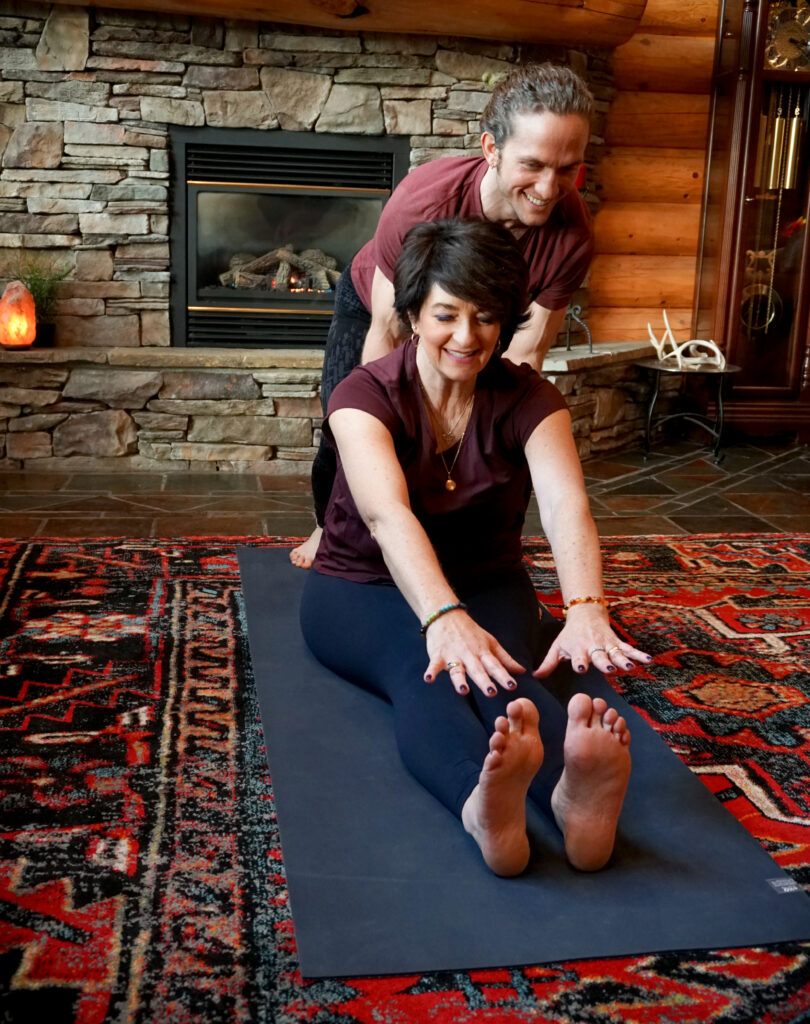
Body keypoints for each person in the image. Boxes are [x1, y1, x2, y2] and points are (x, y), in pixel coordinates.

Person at [300, 219, 651, 878]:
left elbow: (565, 505)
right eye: (446, 315)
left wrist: (585, 607)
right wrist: (443, 616)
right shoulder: (362, 395)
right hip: (362, 585)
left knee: (505, 677)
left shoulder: (531, 399)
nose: (467, 337)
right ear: (412, 315)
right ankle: (478, 806)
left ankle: (572, 799)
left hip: (489, 579)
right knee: (432, 670)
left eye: (486, 317)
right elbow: (384, 514)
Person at [291, 61, 594, 569]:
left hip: (484, 329)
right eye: (533, 164)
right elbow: (388, 331)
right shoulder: (423, 201)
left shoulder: (573, 236)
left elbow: (527, 353)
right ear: (491, 149)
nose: (549, 188)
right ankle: (329, 525)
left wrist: (497, 440)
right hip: (382, 310)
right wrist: (382, 420)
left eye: (567, 169)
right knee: (350, 425)